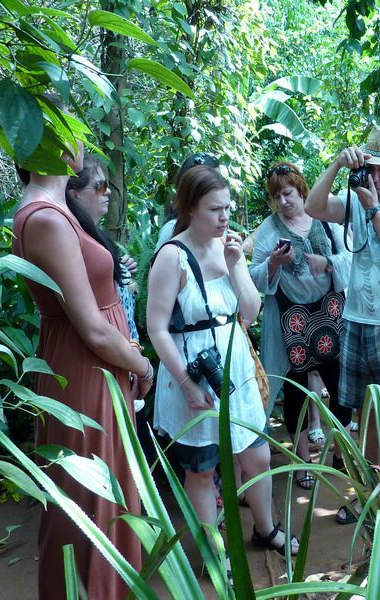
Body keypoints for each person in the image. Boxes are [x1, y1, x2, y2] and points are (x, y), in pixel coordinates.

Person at [12, 105, 150, 599]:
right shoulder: (45, 217)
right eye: (76, 132)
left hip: (97, 369)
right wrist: (141, 363)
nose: (84, 144)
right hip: (86, 369)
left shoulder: (55, 206)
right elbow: (91, 326)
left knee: (108, 496)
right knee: (92, 502)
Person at [147, 165, 297, 555]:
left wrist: (235, 264)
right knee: (201, 470)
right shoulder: (172, 256)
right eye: (215, 209)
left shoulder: (228, 246)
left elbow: (250, 309)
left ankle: (265, 530)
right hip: (192, 375)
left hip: (235, 371)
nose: (225, 216)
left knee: (258, 457)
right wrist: (186, 383)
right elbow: (157, 328)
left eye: (228, 208)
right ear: (190, 208)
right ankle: (217, 554)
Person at [304, 125, 380, 524]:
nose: (376, 177)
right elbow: (312, 207)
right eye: (371, 168)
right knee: (367, 411)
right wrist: (337, 164)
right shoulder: (358, 197)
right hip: (357, 317)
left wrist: (373, 209)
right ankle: (374, 493)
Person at [249, 162, 352, 485]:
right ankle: (303, 462)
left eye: (288, 193)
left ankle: (340, 455)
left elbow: (351, 257)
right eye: (277, 196)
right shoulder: (269, 229)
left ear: (302, 190)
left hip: (330, 313)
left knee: (342, 391)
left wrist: (329, 264)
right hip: (292, 320)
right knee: (295, 393)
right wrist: (273, 263)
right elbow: (252, 278)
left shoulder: (324, 215)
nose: (283, 201)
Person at [65, 157, 140, 343]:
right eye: (99, 186)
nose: (107, 192)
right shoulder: (72, 238)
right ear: (76, 195)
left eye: (106, 185)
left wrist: (121, 271)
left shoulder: (96, 237)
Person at [156, 152, 220, 249]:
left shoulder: (219, 223)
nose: (219, 187)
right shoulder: (172, 229)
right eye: (212, 183)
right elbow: (158, 262)